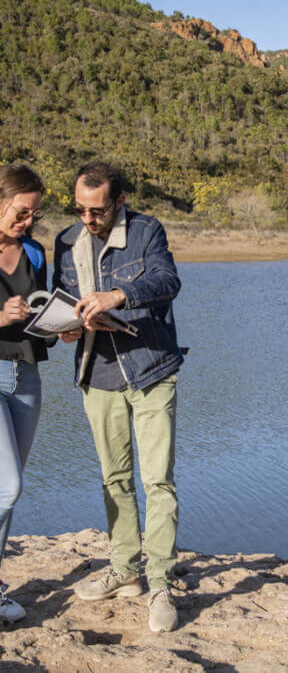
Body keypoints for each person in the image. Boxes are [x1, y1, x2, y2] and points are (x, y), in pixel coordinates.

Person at [53, 162, 184, 632]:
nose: (87, 219)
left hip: (150, 369)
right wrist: (68, 327)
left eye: (97, 210)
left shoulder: (148, 231)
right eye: (80, 210)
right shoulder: (65, 241)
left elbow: (167, 283)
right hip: (97, 370)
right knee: (115, 478)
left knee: (158, 482)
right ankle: (126, 571)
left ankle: (162, 582)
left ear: (119, 201)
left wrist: (117, 296)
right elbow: (64, 300)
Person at [0, 164, 50, 623]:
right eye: (21, 211)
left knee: (5, 490)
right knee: (7, 487)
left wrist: (62, 326)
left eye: (33, 214)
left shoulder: (33, 252)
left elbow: (39, 316)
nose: (28, 222)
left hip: (26, 375)